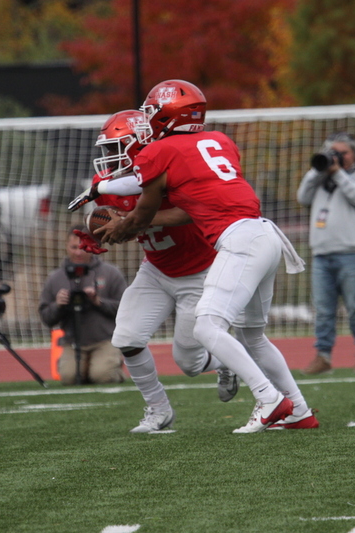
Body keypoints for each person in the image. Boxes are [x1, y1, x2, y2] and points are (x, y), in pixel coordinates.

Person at [95, 79, 318, 433]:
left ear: (164, 117)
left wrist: (121, 224)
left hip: (233, 244)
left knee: (206, 327)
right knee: (253, 337)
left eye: (152, 111)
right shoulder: (219, 141)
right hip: (263, 232)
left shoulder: (156, 154)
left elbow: (144, 212)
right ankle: (300, 411)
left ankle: (270, 399)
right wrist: (105, 192)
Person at [73, 109, 239, 433]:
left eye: (115, 147)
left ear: (140, 144)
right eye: (106, 149)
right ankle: (159, 409)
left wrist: (133, 222)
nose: (109, 157)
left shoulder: (171, 170)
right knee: (126, 337)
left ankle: (226, 363)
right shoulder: (106, 184)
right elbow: (107, 216)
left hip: (199, 272)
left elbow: (191, 212)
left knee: (189, 362)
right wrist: (96, 233)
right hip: (156, 270)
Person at [296, 132, 355, 374]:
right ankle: (323, 356)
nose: (338, 157)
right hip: (323, 252)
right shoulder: (321, 176)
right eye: (333, 152)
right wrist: (318, 169)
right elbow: (302, 197)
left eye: (343, 152)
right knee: (323, 309)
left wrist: (338, 173)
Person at [38, 225, 128, 385]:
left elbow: (126, 309)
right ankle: (86, 368)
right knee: (69, 378)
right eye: (74, 247)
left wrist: (98, 301)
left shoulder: (110, 273)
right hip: (72, 341)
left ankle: (113, 370)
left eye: (83, 247)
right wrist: (58, 305)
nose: (78, 252)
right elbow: (46, 318)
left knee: (102, 377)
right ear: (66, 246)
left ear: (92, 246)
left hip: (105, 340)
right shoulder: (56, 278)